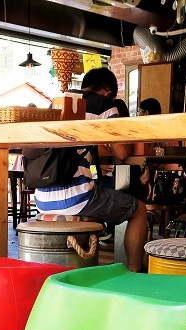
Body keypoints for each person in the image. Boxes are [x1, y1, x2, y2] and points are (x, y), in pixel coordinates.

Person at [32, 68, 147, 272]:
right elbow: (122, 152)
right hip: (77, 198)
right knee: (138, 210)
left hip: (42, 198)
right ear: (108, 92)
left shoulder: (58, 103)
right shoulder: (104, 105)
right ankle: (134, 272)